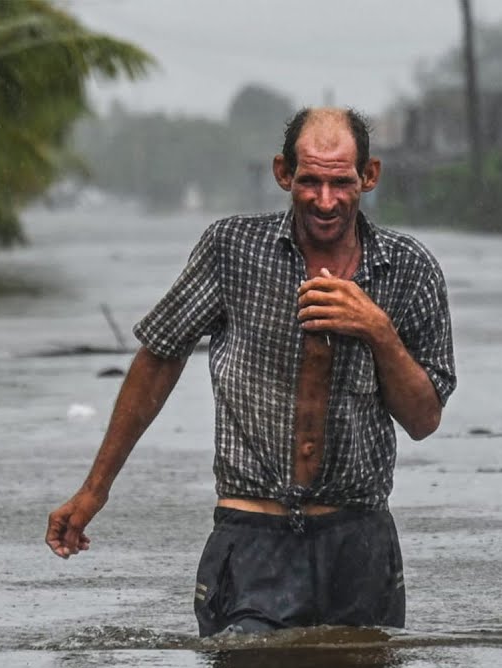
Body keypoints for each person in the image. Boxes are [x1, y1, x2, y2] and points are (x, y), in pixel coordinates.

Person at [44, 107, 456, 636]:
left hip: (359, 538)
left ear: (368, 176)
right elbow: (158, 358)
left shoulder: (409, 267)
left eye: (340, 182)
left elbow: (424, 419)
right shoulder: (232, 250)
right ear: (283, 174)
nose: (325, 201)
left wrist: (378, 330)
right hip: (252, 532)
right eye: (309, 181)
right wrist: (94, 489)